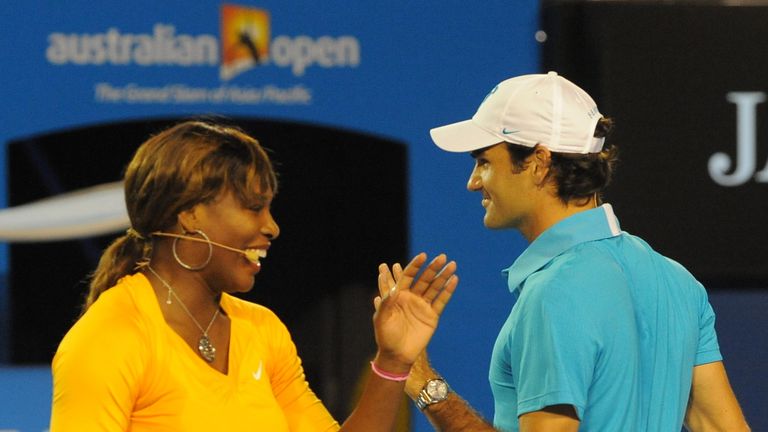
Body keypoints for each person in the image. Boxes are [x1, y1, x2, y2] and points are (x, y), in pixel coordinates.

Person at [391, 72, 751, 431]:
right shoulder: (676, 279)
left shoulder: (554, 292)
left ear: (538, 162)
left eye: (484, 161)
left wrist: (427, 388)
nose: (472, 182)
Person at [49, 120, 459, 431]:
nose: (272, 227)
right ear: (190, 214)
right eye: (252, 207)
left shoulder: (262, 330)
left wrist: (392, 361)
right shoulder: (108, 338)